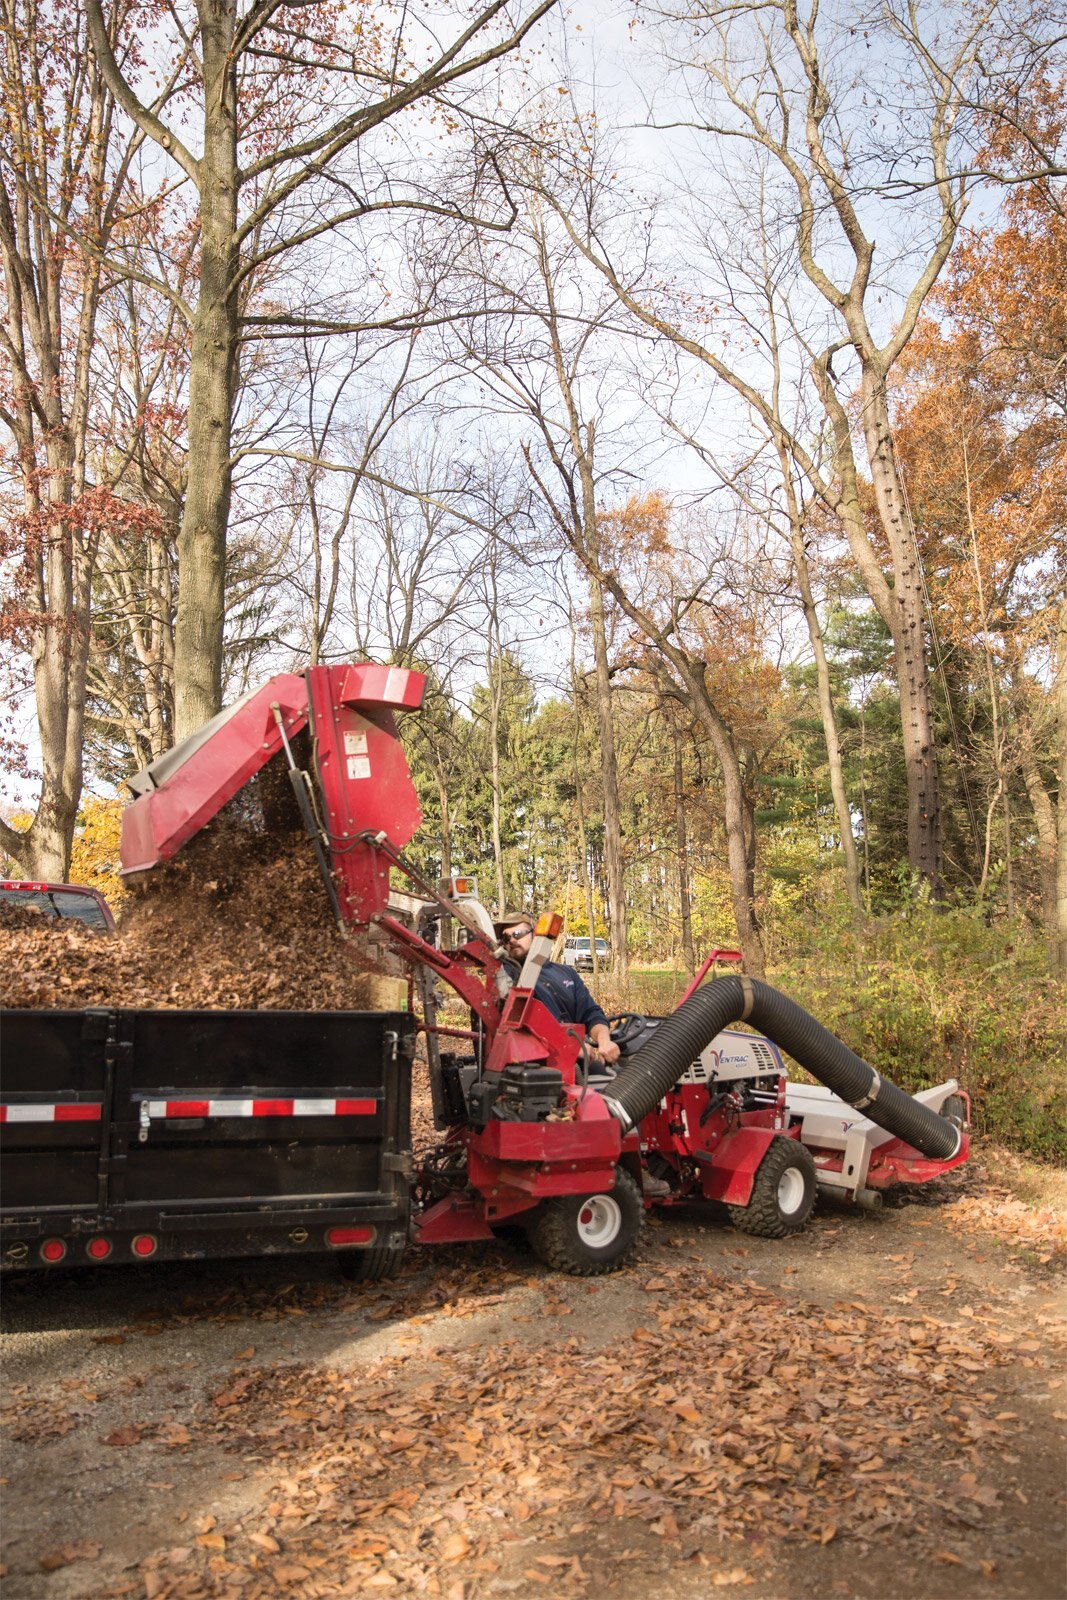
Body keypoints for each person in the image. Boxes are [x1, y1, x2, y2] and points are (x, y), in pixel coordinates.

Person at [496, 912, 620, 1065]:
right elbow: (516, 1023)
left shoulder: (566, 972)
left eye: (517, 934)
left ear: (535, 934)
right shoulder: (506, 976)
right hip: (536, 1066)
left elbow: (590, 1013)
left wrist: (604, 1041)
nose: (512, 941)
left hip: (579, 1060)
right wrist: (568, 1045)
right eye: (506, 938)